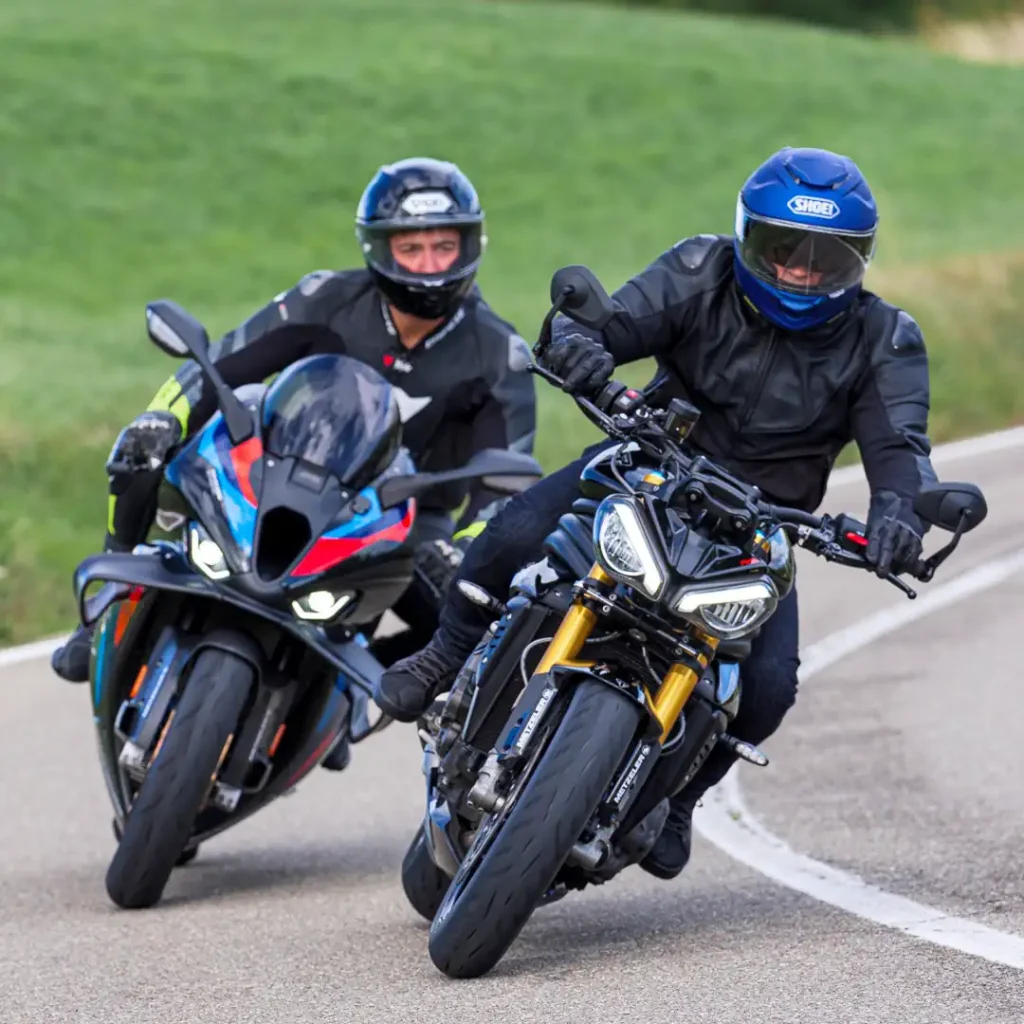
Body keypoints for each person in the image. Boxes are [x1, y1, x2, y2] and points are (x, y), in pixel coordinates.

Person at [375, 146, 934, 878]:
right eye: (783, 251)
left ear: (857, 261)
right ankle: (445, 654)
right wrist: (579, 345)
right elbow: (608, 320)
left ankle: (679, 800)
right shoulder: (701, 269)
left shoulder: (885, 338)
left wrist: (900, 516)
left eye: (825, 260)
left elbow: (900, 449)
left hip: (761, 523)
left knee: (770, 688)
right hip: (651, 462)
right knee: (515, 530)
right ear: (749, 239)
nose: (801, 273)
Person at [52, 156, 537, 768]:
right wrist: (161, 420)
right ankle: (104, 608)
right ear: (379, 248)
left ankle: (346, 696)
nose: (429, 264)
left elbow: (505, 481)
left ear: (471, 246)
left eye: (444, 246)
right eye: (411, 248)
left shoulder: (500, 353)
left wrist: (463, 549)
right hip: (281, 478)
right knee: (140, 451)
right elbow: (220, 367)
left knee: (482, 614)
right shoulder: (323, 296)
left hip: (405, 523)